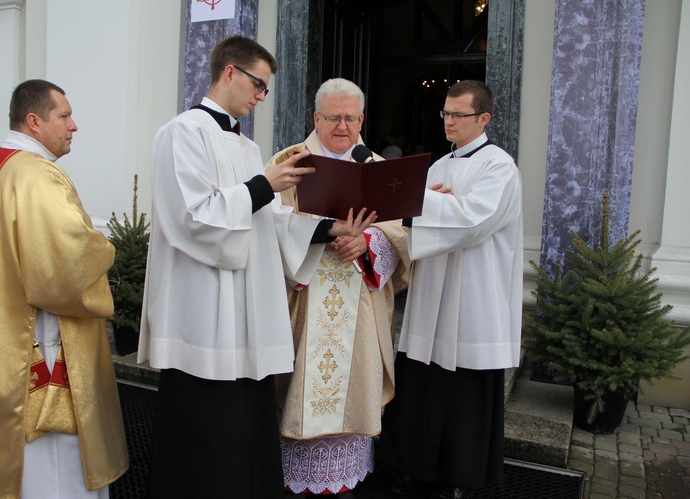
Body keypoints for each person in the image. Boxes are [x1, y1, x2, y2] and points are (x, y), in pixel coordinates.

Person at [138, 37, 376, 499]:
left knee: (243, 428)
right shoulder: (181, 133)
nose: (261, 97)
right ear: (229, 72)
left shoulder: (247, 146)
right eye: (258, 85)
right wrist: (262, 186)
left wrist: (330, 228)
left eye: (265, 90)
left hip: (243, 316)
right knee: (203, 432)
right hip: (204, 312)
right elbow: (192, 217)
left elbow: (267, 221)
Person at [0, 79, 128, 498]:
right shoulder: (36, 175)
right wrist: (105, 248)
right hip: (38, 338)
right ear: (34, 121)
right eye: (64, 116)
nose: (73, 125)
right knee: (53, 467)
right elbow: (65, 270)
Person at [264, 78, 410, 497]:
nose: (342, 125)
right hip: (305, 300)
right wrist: (324, 234)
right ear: (316, 118)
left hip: (358, 304)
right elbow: (269, 226)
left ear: (362, 119)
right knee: (297, 392)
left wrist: (368, 242)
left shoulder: (380, 168)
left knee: (351, 395)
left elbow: (399, 235)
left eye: (351, 117)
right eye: (333, 117)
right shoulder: (288, 163)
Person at [381, 80, 523, 499]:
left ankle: (462, 475)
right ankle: (415, 466)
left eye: (458, 114)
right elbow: (413, 212)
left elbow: (473, 220)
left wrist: (420, 202)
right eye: (445, 113)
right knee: (422, 383)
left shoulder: (499, 167)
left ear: (484, 118)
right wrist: (421, 199)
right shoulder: (438, 167)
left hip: (474, 295)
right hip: (432, 296)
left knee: (465, 393)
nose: (449, 121)